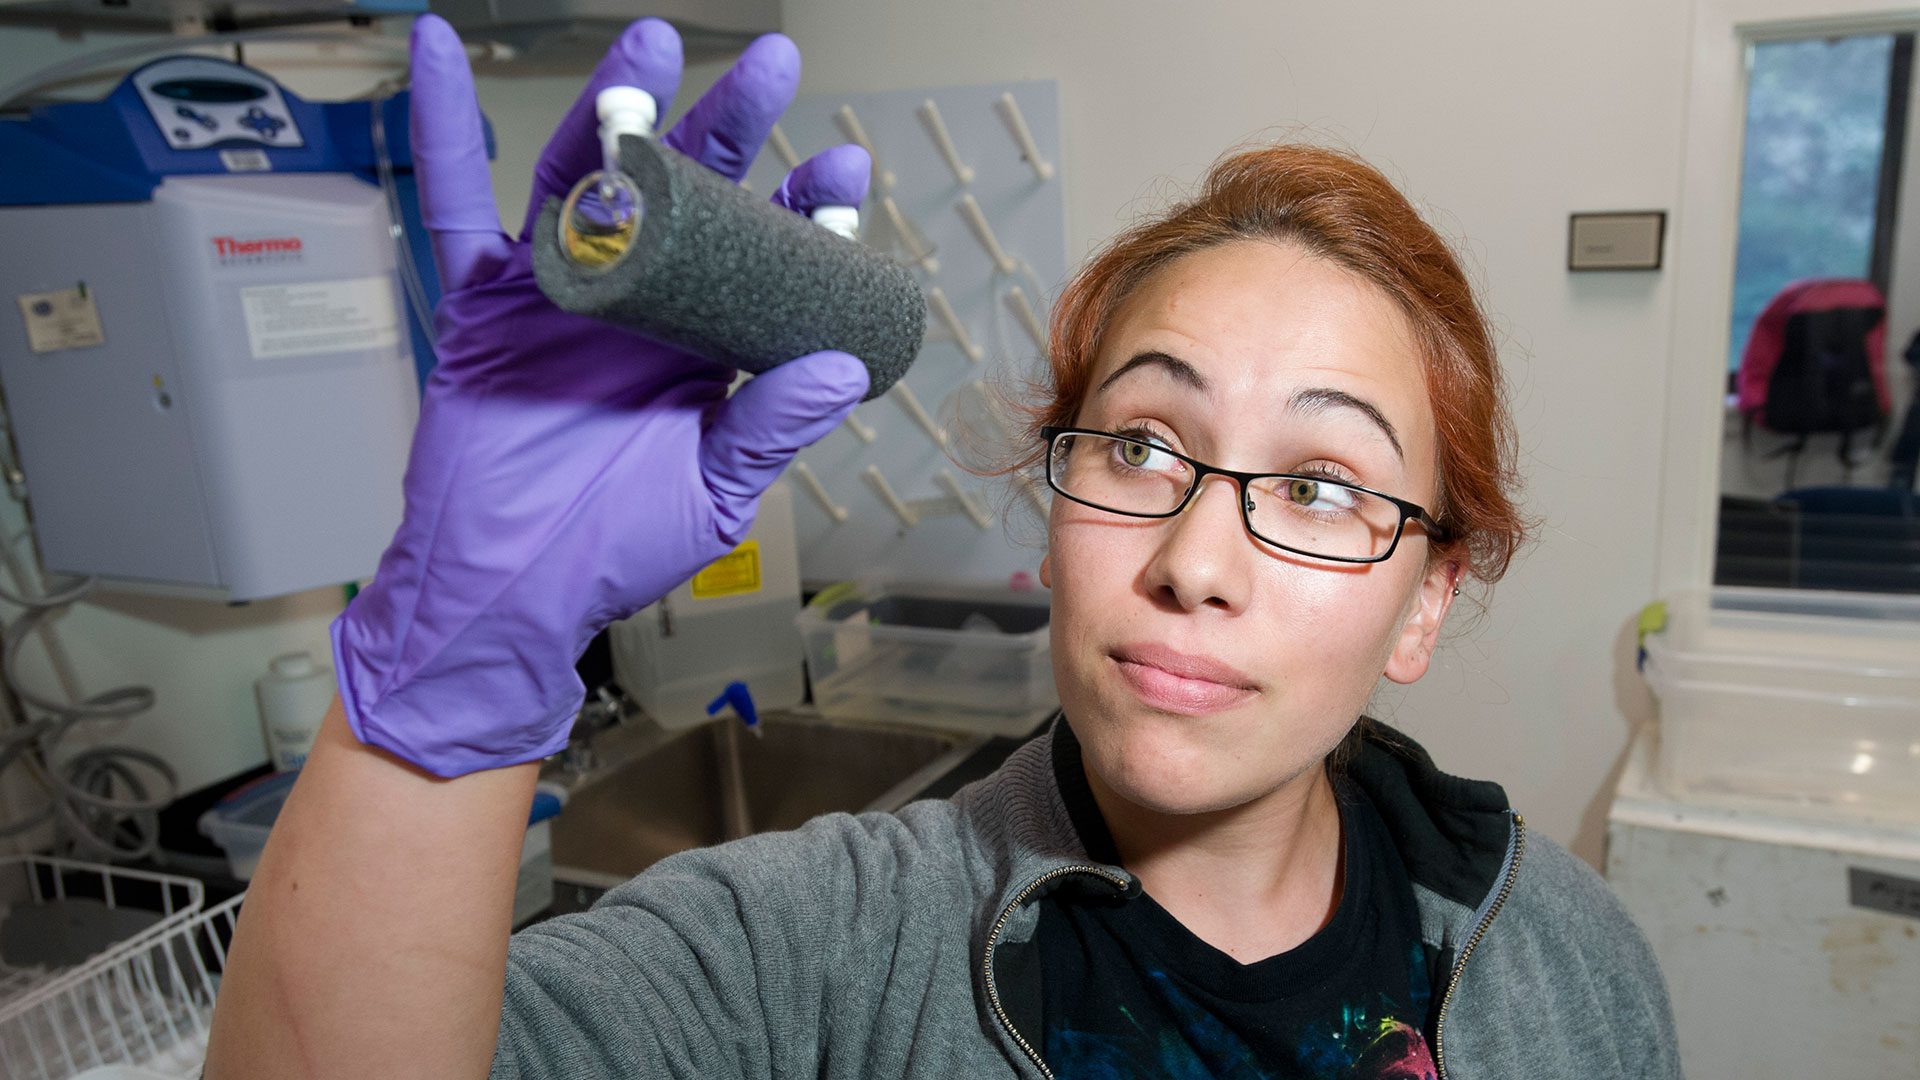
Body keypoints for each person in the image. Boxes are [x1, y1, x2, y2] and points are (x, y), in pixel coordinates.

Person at [204, 14, 1681, 1080]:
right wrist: (456, 670)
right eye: (1144, 446)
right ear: (1055, 520)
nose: (1194, 560)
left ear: (1423, 602)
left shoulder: (1555, 955)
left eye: (1317, 486)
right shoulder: (820, 953)